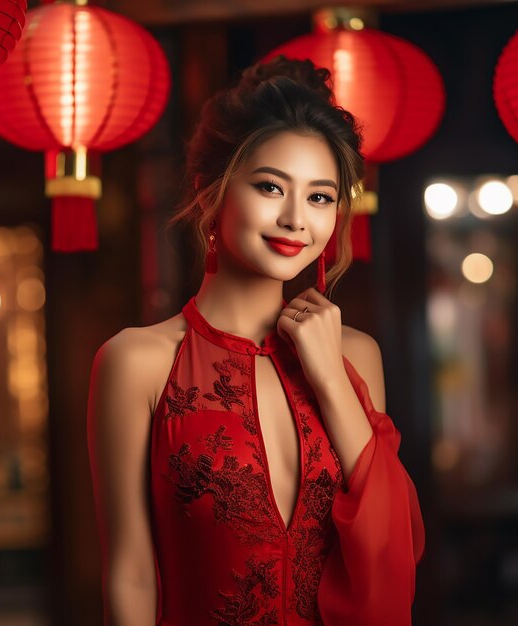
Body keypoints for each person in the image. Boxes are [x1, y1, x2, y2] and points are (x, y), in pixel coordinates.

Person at [87, 55, 425, 626]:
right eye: (271, 187)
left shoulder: (355, 356)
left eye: (320, 197)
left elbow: (390, 547)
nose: (297, 219)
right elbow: (131, 571)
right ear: (210, 193)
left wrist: (328, 377)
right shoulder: (136, 362)